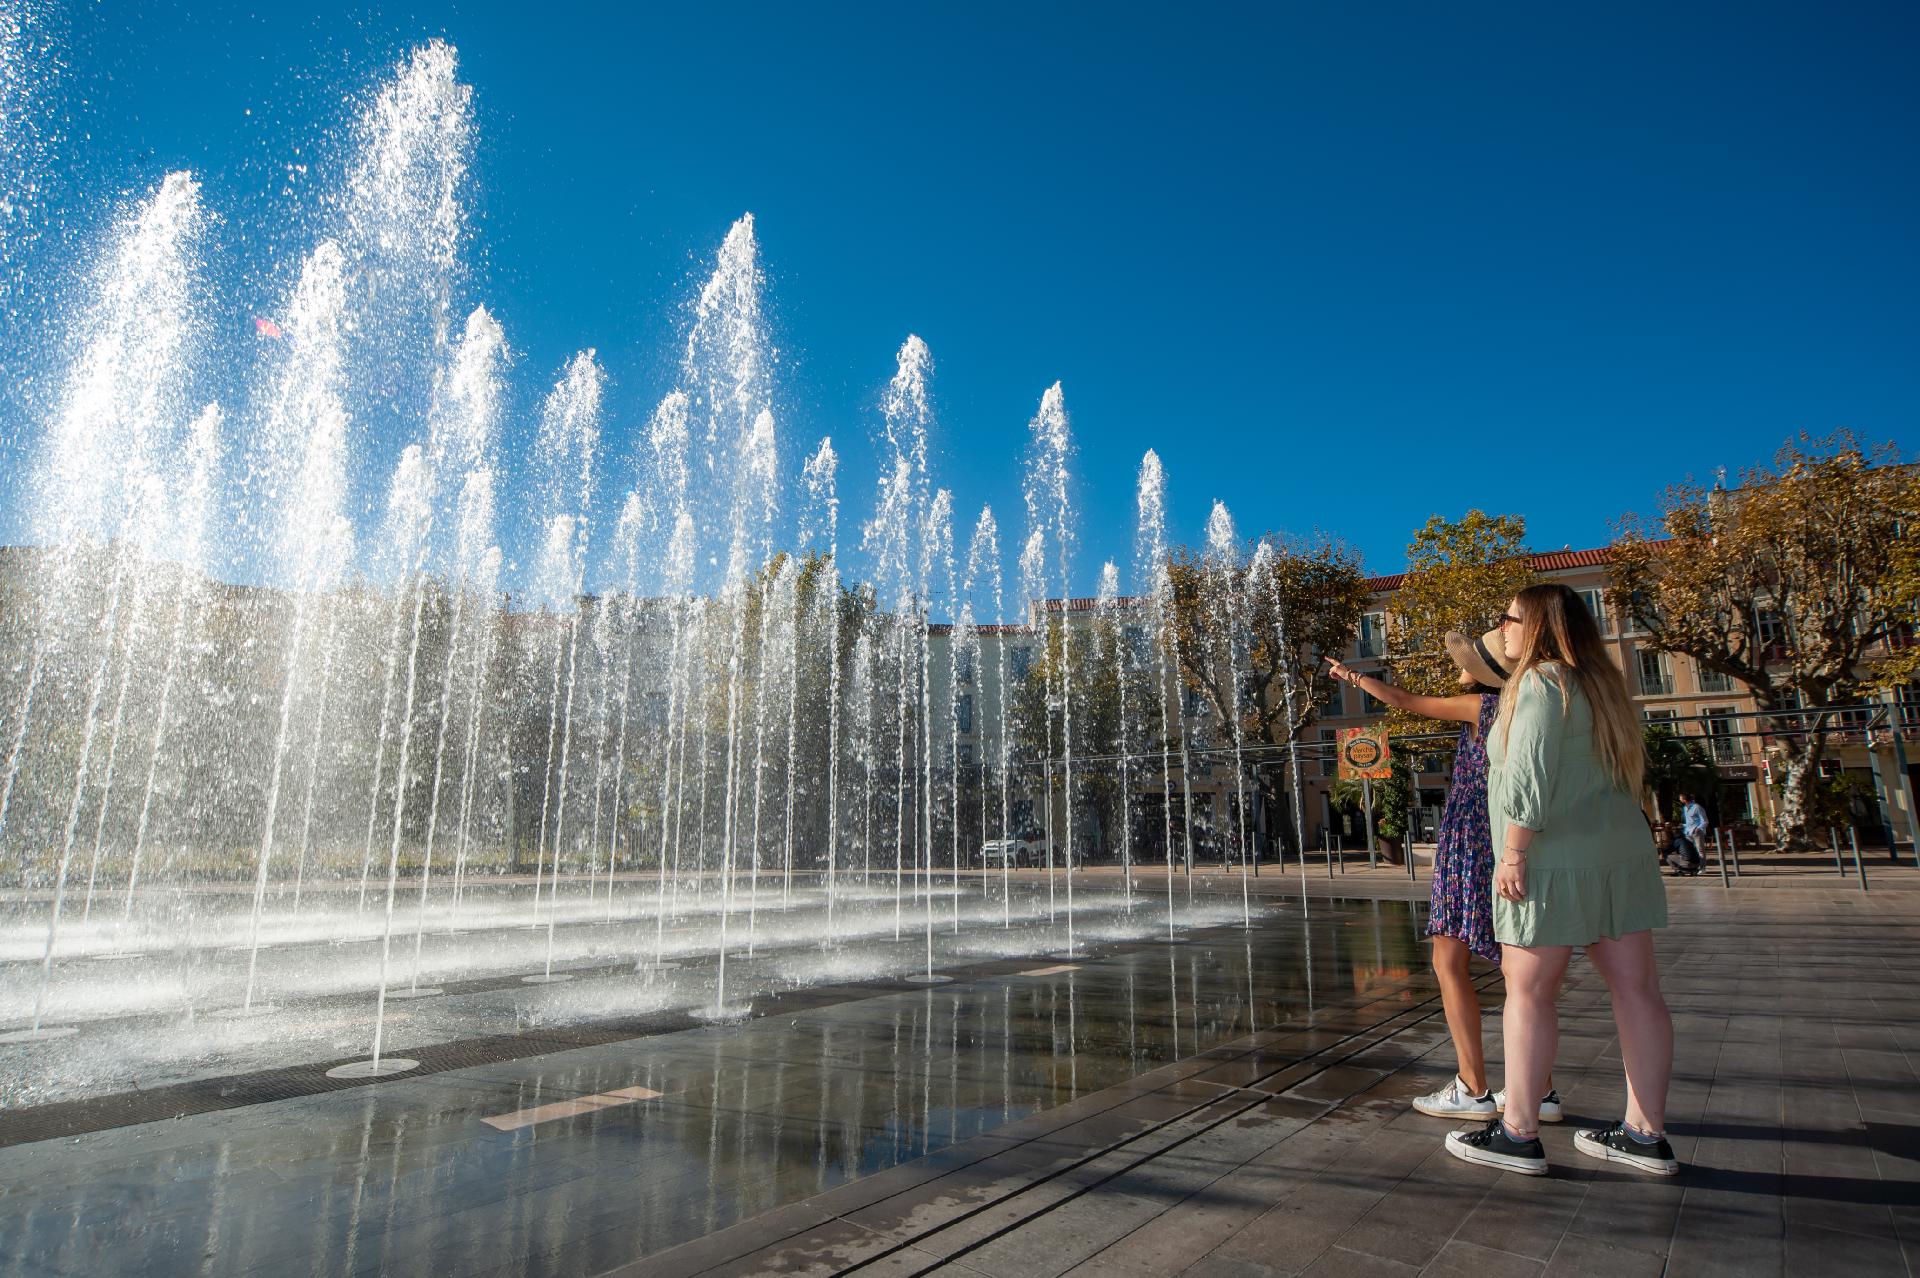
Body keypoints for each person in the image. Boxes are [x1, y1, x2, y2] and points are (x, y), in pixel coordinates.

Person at [1444, 584, 1679, 1178]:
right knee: (1638, 991)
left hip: (1550, 859)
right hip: (1619, 857)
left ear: (1539, 625)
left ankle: (1519, 1132)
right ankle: (1645, 1134)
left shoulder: (1539, 682)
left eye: (1510, 619)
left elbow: (1527, 774)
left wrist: (1512, 854)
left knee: (1528, 992)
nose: (1502, 629)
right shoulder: (1603, 686)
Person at [1325, 628, 1562, 1124]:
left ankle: (1473, 1087)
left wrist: (1352, 677)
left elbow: (1407, 700)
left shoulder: (1481, 706)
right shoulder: (1528, 708)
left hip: (1469, 840)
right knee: (1517, 967)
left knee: (1448, 960)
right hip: (1510, 838)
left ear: (1484, 674)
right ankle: (1540, 1088)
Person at [1680, 792, 1711, 865]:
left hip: (1697, 832)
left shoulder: (1697, 807)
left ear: (1684, 799)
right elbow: (1689, 821)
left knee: (1700, 850)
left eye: (1680, 798)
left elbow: (1705, 821)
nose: (1679, 799)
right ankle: (1694, 866)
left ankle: (1702, 867)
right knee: (1690, 850)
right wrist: (1683, 826)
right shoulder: (1685, 808)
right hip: (1688, 833)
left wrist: (1698, 829)